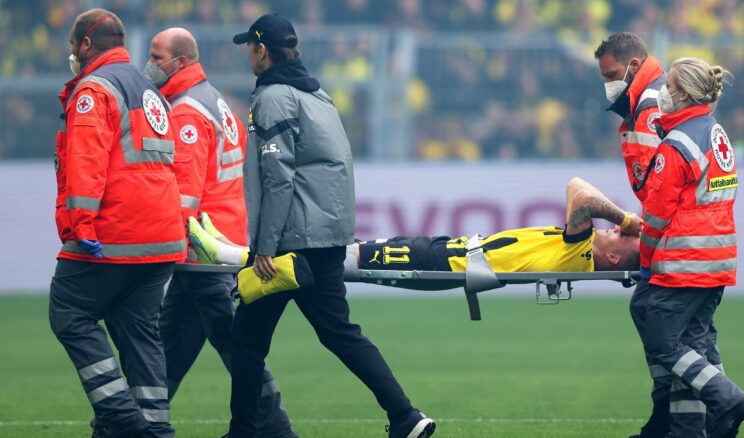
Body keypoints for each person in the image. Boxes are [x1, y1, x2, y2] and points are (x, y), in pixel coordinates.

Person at [191, 14, 435, 438]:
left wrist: (265, 247)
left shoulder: (273, 97)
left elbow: (278, 177)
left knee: (246, 339)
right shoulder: (318, 95)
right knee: (340, 333)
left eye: (250, 47)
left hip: (290, 244)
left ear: (261, 51)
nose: (248, 55)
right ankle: (404, 415)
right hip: (326, 238)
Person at [144, 28, 298, 438]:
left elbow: (186, 193)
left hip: (202, 244)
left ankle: (272, 421)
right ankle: (145, 419)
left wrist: (171, 243)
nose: (149, 64)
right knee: (176, 335)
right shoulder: (213, 100)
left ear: (180, 61)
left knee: (232, 336)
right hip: (220, 234)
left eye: (156, 56)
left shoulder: (186, 112)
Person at [48, 8, 186, 438]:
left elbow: (85, 164)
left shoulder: (94, 90)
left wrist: (81, 225)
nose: (72, 51)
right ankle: (155, 432)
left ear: (86, 44)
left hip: (116, 231)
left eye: (74, 44)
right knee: (138, 330)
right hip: (161, 235)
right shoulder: (149, 89)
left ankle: (121, 417)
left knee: (69, 311)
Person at [594, 33, 727, 438]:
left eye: (612, 75)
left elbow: (662, 188)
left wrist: (648, 248)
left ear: (633, 66)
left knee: (661, 325)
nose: (607, 84)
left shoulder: (654, 106)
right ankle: (707, 421)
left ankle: (709, 407)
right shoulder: (648, 105)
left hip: (679, 242)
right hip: (697, 241)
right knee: (696, 335)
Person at [638, 57, 744, 438]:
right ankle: (694, 433)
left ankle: (728, 400)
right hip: (717, 255)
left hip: (685, 259)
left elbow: (656, 214)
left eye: (669, 85)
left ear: (685, 93)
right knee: (696, 343)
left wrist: (645, 261)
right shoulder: (715, 133)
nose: (662, 92)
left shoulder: (678, 143)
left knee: (663, 342)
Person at [188, 177, 641, 274]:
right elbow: (577, 188)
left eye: (620, 237)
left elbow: (580, 193)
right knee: (343, 255)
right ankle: (234, 250)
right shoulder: (583, 244)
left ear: (612, 256)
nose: (616, 230)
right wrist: (625, 223)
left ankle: (229, 254)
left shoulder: (581, 251)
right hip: (451, 251)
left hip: (450, 261)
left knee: (340, 258)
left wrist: (626, 218)